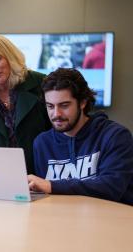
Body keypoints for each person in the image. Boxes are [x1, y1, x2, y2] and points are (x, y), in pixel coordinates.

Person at [28, 68, 133, 204]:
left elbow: (111, 187)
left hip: (111, 221)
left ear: (83, 102)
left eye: (64, 105)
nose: (56, 114)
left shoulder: (115, 136)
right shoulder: (42, 143)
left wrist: (51, 185)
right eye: (50, 106)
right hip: (61, 221)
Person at [0, 33, 51, 174]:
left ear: (10, 57)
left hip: (42, 173)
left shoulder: (41, 84)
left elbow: (55, 134)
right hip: (0, 176)